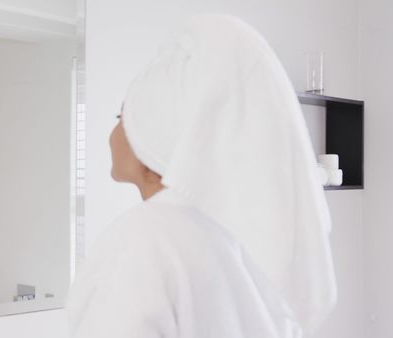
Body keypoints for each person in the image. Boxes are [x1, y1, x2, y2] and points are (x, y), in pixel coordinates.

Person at [67, 14, 336, 338]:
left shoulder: (143, 240)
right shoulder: (237, 245)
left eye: (121, 116)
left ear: (153, 136)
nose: (112, 131)